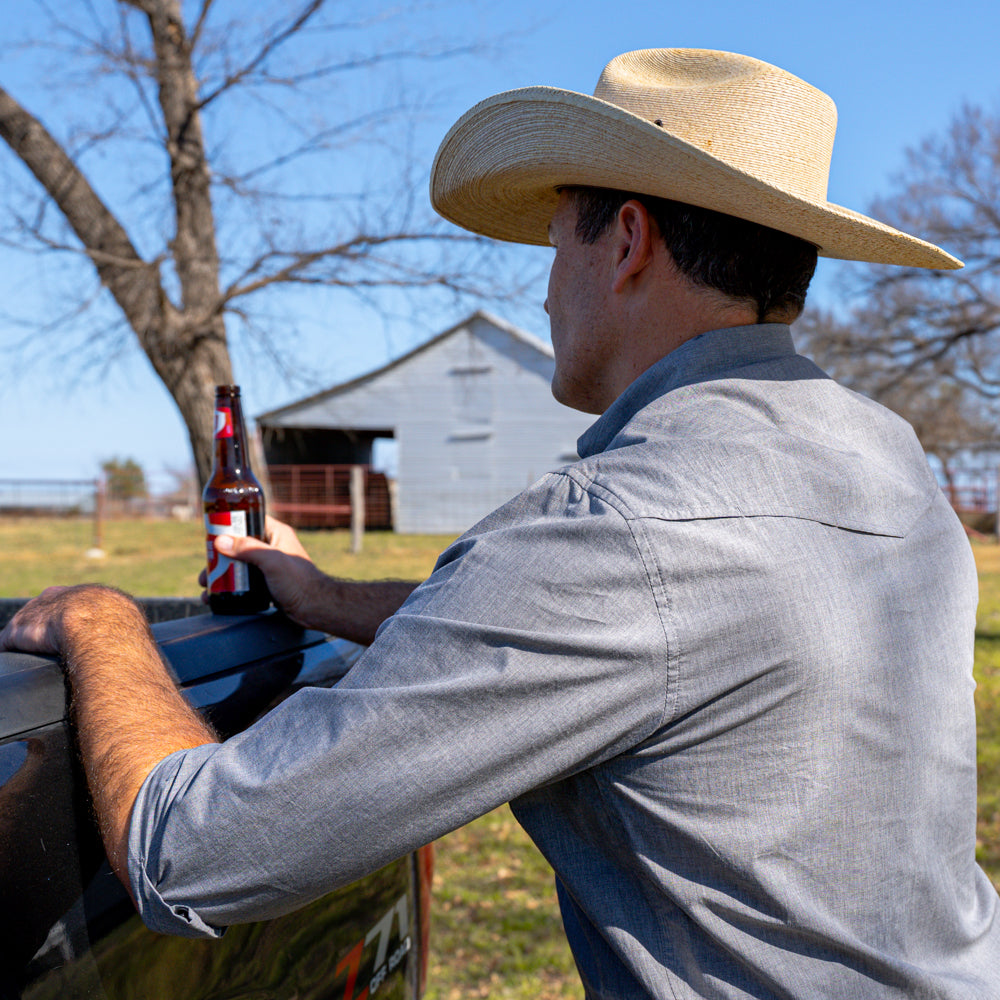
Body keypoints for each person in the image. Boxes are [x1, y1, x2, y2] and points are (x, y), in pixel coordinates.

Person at [3, 47, 999, 999]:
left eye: (555, 237)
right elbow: (649, 638)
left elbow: (190, 853)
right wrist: (330, 600)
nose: (543, 281)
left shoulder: (621, 525)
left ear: (625, 241)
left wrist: (101, 623)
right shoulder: (885, 457)